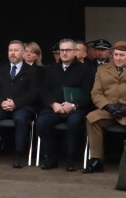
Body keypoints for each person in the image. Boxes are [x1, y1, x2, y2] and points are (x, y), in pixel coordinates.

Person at [83, 40, 126, 174]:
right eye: (116, 55)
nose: (117, 58)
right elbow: (96, 93)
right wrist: (107, 106)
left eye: (121, 55)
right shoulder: (102, 69)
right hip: (109, 109)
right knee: (92, 118)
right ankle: (96, 159)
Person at [35, 39, 95, 171]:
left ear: (74, 52)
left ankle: (71, 159)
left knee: (74, 122)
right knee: (42, 122)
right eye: (62, 50)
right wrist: (53, 103)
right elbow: (43, 91)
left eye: (68, 50)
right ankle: (51, 157)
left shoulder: (86, 70)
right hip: (55, 108)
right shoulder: (51, 69)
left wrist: (73, 105)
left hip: (76, 109)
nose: (64, 53)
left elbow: (89, 94)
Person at [0, 40, 41, 168]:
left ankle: (19, 155)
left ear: (23, 53)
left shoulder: (31, 71)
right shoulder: (2, 69)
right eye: (10, 50)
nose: (12, 53)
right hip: (2, 106)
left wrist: (16, 103)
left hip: (22, 107)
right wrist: (2, 103)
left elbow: (34, 93)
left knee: (21, 118)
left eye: (16, 50)